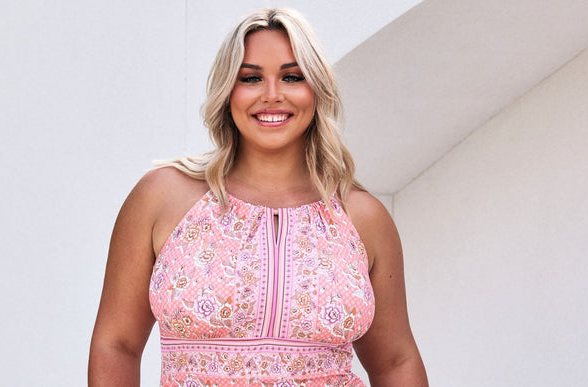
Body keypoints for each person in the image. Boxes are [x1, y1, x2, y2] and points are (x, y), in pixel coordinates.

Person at [89, 8, 427, 386]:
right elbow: (115, 345)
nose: (272, 95)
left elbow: (396, 361)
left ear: (316, 88)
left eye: (292, 77)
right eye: (251, 78)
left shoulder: (361, 216)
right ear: (227, 90)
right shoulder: (163, 197)